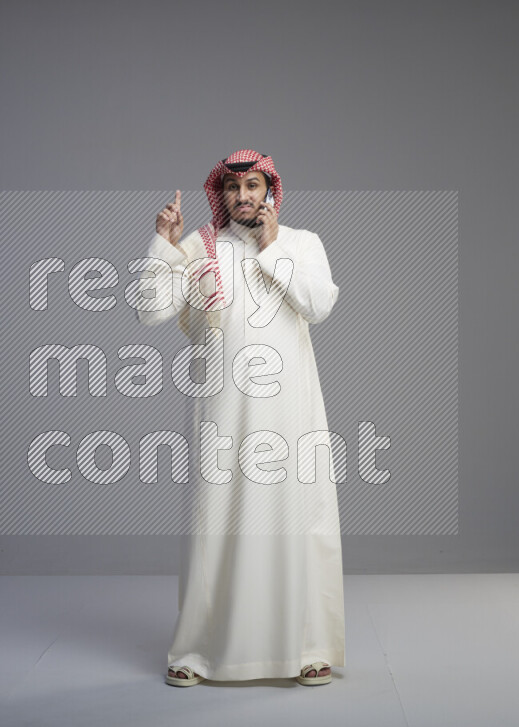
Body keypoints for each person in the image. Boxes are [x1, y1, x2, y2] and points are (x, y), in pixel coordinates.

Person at [136, 149, 344, 687]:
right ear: (221, 196)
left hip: (290, 416)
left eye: (253, 185)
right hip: (221, 419)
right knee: (216, 528)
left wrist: (273, 249)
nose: (244, 196)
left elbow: (319, 305)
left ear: (270, 189)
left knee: (294, 521)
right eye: (233, 188)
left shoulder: (302, 242)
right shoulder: (199, 248)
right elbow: (149, 309)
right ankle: (198, 652)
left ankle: (307, 647)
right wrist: (162, 244)